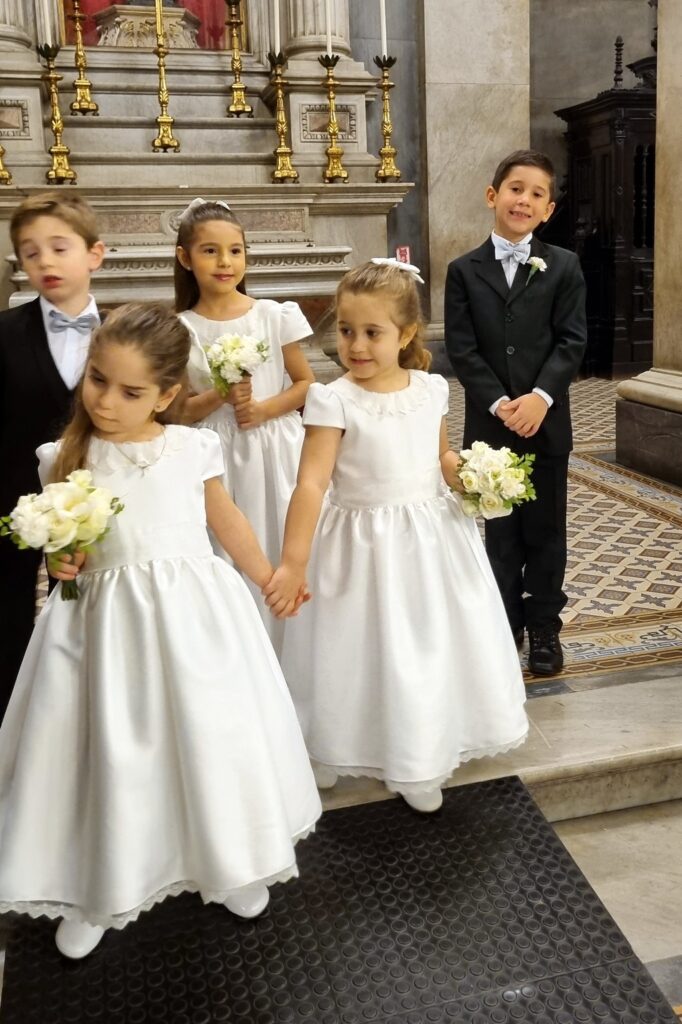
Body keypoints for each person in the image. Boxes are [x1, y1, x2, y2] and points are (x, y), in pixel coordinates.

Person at [0, 303, 321, 960]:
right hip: (104, 633)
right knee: (108, 752)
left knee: (209, 740)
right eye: (97, 380)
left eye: (130, 391)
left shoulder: (192, 448)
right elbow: (65, 551)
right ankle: (98, 887)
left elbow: (225, 520)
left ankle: (229, 862)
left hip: (195, 623)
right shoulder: (63, 456)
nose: (105, 401)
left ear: (168, 394)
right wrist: (63, 560)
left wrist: (269, 576)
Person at [265, 259, 528, 814]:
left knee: (420, 650)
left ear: (406, 334)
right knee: (349, 651)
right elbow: (311, 484)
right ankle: (329, 745)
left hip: (430, 542)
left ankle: (418, 756)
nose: (356, 346)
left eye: (372, 332)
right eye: (346, 331)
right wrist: (292, 562)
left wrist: (473, 477)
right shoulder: (333, 399)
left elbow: (439, 456)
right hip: (359, 547)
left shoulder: (431, 389)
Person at [444, 150, 587, 675]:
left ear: (548, 210)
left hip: (546, 423)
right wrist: (500, 403)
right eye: (515, 188)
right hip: (491, 426)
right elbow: (462, 349)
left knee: (546, 531)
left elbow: (572, 340)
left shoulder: (564, 266)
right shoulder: (463, 271)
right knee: (501, 533)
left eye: (536, 194)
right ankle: (505, 622)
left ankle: (545, 625)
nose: (523, 200)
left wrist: (541, 397)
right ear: (493, 195)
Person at [174, 198, 315, 656]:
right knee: (227, 553)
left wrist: (264, 410)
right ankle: (240, 655)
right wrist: (221, 392)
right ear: (185, 258)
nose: (225, 262)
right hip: (215, 459)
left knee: (279, 540)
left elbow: (306, 384)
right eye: (210, 251)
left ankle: (293, 652)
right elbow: (179, 411)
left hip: (274, 452)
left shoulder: (272, 316)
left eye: (235, 251)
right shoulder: (181, 330)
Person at [0, 192, 105, 721]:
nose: (45, 261)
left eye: (59, 248)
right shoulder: (4, 333)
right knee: (10, 620)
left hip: (103, 502)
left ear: (94, 254)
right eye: (30, 251)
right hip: (14, 501)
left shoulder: (123, 333)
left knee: (101, 616)